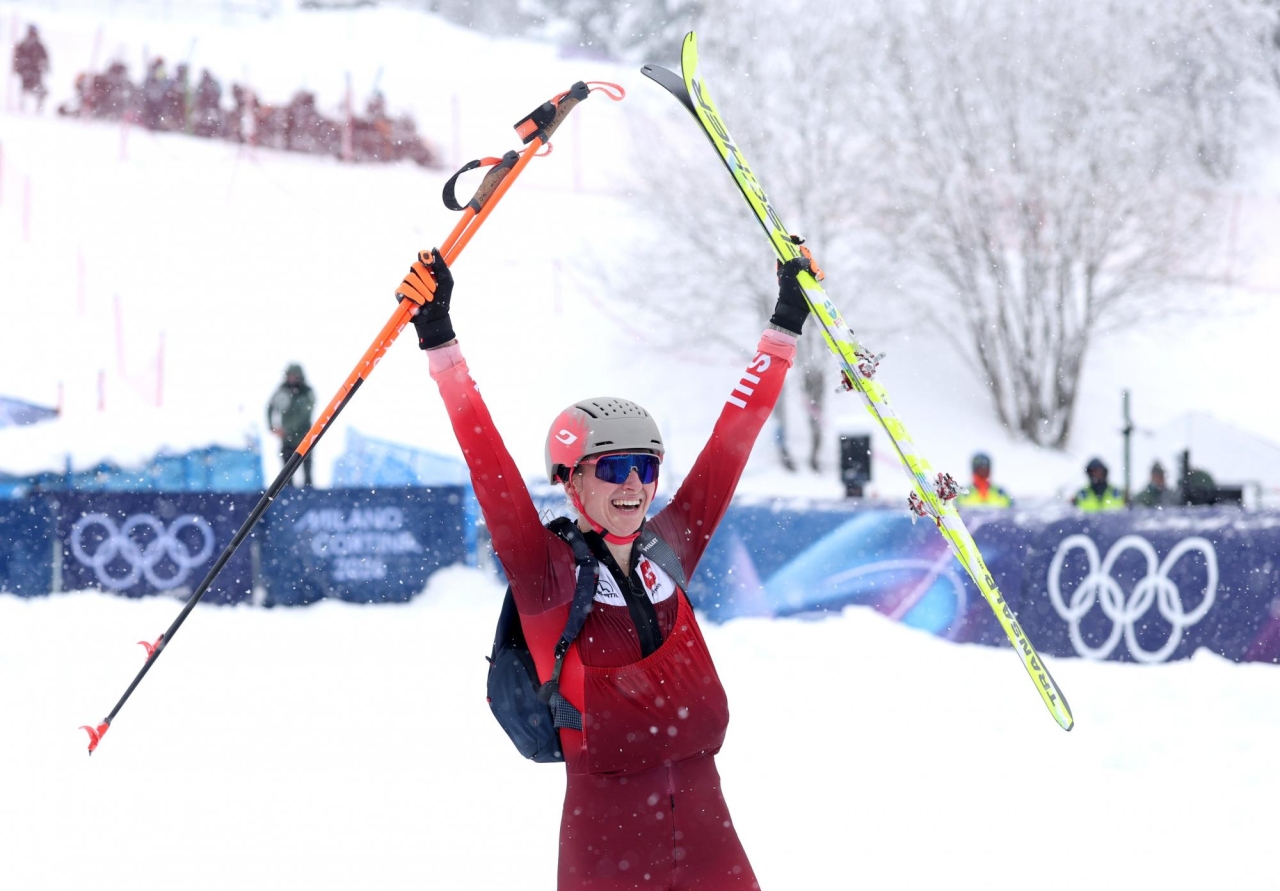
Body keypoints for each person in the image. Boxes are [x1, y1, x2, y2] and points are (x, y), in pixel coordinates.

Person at [403, 245, 813, 890]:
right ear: (570, 482)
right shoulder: (546, 571)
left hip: (708, 828)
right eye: (614, 468)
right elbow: (487, 461)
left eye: (645, 468)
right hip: (608, 839)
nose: (635, 486)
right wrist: (439, 342)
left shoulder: (671, 545)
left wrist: (785, 324)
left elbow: (733, 438)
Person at [266, 363, 316, 487]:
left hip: (305, 437)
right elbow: (270, 407)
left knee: (307, 472)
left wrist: (288, 429)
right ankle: (289, 495)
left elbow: (305, 413)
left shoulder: (307, 392)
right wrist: (272, 427)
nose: (292, 378)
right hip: (287, 440)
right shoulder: (282, 391)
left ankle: (308, 495)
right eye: (290, 375)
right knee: (287, 474)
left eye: (295, 376)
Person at [12, 24, 49, 113]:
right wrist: (19, 67)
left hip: (36, 72)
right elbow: (17, 57)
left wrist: (44, 66)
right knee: (25, 88)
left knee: (38, 89)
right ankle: (22, 105)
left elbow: (45, 57)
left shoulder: (39, 46)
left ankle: (38, 107)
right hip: (26, 71)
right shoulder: (23, 44)